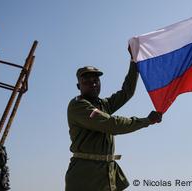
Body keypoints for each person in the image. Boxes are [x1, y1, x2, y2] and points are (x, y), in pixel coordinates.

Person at [65, 50, 162, 191]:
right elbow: (112, 124)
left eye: (95, 80)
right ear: (79, 86)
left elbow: (127, 92)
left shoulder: (102, 104)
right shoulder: (78, 106)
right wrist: (146, 121)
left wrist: (134, 62)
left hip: (107, 172)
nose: (92, 84)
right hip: (86, 175)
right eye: (86, 81)